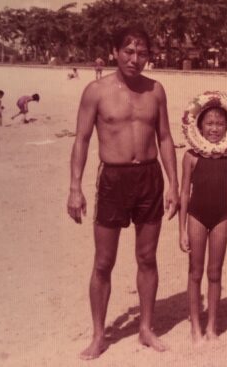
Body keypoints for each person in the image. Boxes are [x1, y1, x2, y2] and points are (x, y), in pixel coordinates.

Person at [66, 26, 179, 359]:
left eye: (142, 53)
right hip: (113, 179)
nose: (135, 58)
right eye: (128, 51)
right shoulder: (96, 91)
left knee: (147, 257)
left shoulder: (156, 90)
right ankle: (100, 335)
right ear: (115, 52)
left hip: (149, 177)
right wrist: (75, 187)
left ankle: (146, 328)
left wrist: (173, 183)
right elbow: (82, 139)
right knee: (104, 262)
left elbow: (165, 138)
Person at [179, 106, 227, 345]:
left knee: (215, 273)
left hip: (221, 217)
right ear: (199, 126)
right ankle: (195, 326)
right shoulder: (191, 156)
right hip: (196, 216)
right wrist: (181, 230)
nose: (214, 128)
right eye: (209, 123)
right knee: (195, 272)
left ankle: (211, 327)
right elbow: (184, 193)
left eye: (219, 124)